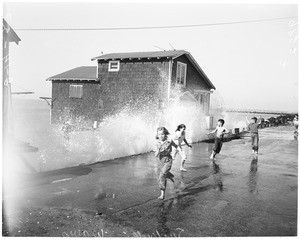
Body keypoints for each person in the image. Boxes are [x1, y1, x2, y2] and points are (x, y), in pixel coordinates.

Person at [154, 127, 181, 200]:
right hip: (161, 161)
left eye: (162, 134)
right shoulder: (157, 143)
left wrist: (179, 150)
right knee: (164, 176)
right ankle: (170, 176)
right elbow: (156, 155)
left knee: (162, 175)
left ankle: (162, 194)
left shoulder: (169, 141)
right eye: (159, 134)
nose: (161, 136)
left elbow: (176, 146)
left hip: (168, 161)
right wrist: (159, 149)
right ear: (157, 135)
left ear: (165, 134)